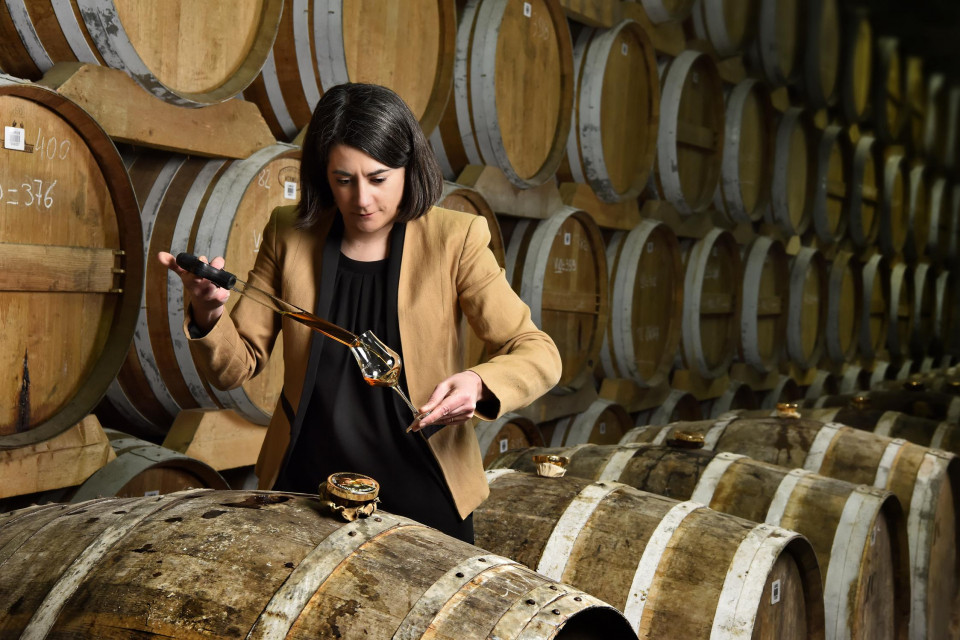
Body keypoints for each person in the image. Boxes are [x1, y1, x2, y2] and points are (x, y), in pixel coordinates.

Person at [159, 83, 561, 543]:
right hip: (307, 486)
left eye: (378, 178)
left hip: (424, 485)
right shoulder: (289, 232)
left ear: (409, 168)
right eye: (344, 180)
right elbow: (236, 367)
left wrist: (479, 383)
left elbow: (539, 352)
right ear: (323, 175)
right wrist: (209, 312)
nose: (362, 200)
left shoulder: (456, 238)